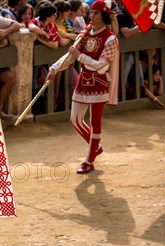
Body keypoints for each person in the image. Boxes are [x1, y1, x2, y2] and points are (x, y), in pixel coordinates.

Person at [46, 0, 119, 174]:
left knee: (95, 123)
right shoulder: (85, 32)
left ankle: (89, 160)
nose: (91, 15)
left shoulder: (110, 38)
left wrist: (80, 56)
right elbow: (70, 56)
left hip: (99, 82)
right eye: (91, 12)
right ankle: (96, 147)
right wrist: (54, 68)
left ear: (104, 16)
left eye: (96, 13)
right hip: (83, 80)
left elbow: (101, 66)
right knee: (75, 119)